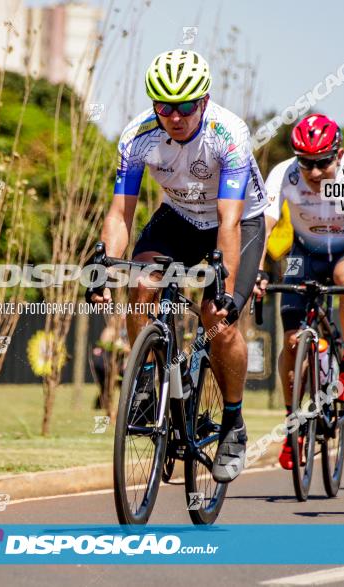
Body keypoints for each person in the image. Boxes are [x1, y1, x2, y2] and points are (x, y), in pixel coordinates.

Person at [88, 50, 268, 482]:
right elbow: (120, 214)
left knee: (218, 320)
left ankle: (234, 422)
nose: (175, 116)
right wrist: (103, 264)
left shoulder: (229, 134)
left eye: (186, 105)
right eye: (164, 106)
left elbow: (228, 221)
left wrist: (222, 286)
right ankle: (148, 379)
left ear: (203, 101)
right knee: (141, 284)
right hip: (179, 217)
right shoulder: (137, 136)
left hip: (237, 223)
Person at [255, 114, 344, 469]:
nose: (315, 170)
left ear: (338, 154)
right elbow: (263, 224)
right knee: (292, 342)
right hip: (303, 255)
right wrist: (258, 270)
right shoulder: (284, 173)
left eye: (323, 161)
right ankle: (294, 424)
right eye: (307, 162)